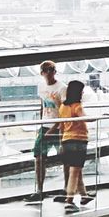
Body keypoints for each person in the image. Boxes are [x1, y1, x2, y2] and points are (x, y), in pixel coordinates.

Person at [32, 59, 66, 201]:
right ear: (42, 73)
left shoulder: (62, 88)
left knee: (65, 158)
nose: (51, 72)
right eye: (48, 70)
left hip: (59, 127)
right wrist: (41, 123)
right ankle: (39, 190)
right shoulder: (41, 87)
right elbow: (42, 105)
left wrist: (55, 127)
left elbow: (65, 110)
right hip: (45, 126)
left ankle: (66, 189)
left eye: (52, 69)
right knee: (39, 156)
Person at [58, 79, 90, 211]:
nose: (82, 93)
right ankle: (69, 200)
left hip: (67, 141)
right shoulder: (77, 106)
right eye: (81, 91)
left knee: (76, 170)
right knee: (74, 172)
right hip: (79, 140)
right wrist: (101, 117)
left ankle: (84, 195)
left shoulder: (62, 107)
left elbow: (61, 126)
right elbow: (85, 118)